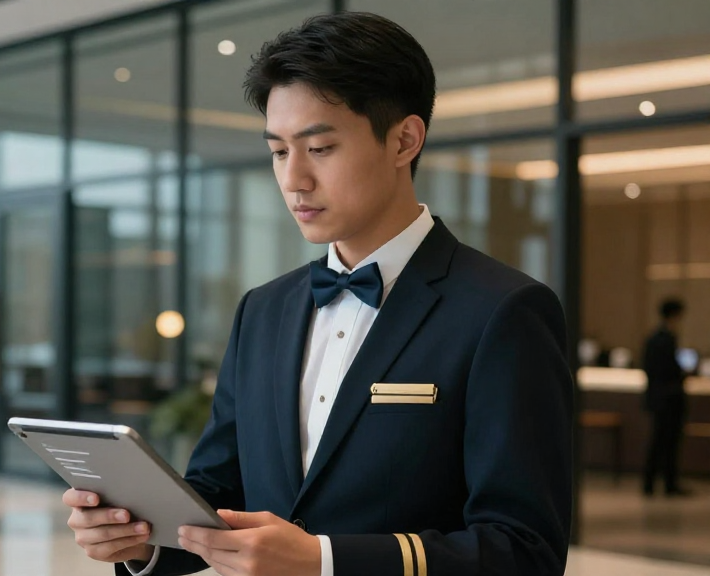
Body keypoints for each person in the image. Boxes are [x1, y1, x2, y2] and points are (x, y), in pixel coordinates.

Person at [62, 12, 573, 576]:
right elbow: (218, 491)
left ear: (404, 140)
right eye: (280, 151)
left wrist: (324, 560)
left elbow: (525, 551)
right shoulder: (263, 309)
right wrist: (141, 539)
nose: (293, 179)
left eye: (320, 148)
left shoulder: (503, 311)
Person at [642, 298, 690, 497]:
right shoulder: (666, 339)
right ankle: (666, 483)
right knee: (666, 442)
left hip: (658, 398)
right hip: (668, 399)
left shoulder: (655, 337)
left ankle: (652, 483)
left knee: (660, 442)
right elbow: (667, 370)